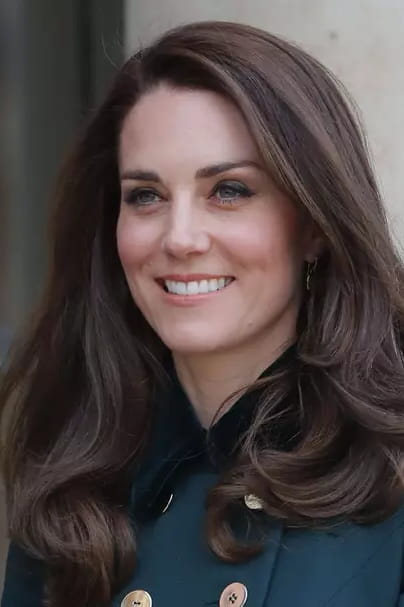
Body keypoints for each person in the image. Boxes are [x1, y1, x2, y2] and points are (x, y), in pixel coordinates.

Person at [1, 20, 404, 607]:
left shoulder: (390, 465)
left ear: (315, 224)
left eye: (229, 191)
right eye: (146, 196)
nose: (180, 238)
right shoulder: (75, 478)